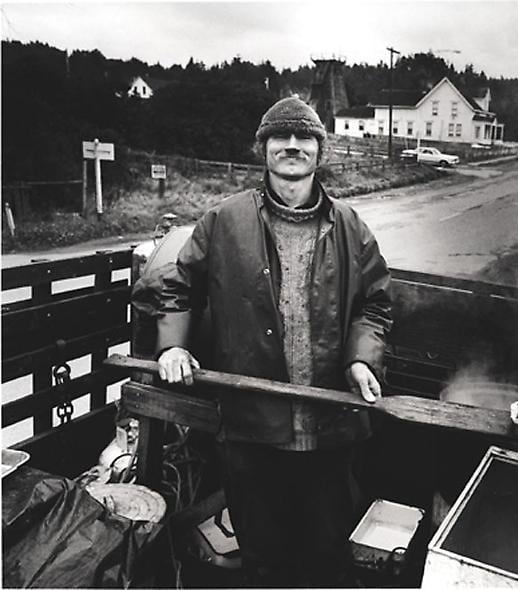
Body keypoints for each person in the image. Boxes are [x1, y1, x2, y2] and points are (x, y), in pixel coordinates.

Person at [141, 96, 392, 587]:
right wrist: (173, 346)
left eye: (305, 138)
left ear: (320, 151)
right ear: (264, 148)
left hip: (330, 426)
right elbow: (174, 285)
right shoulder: (223, 222)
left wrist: (362, 360)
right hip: (250, 430)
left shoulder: (351, 228)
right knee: (262, 560)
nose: (293, 146)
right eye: (282, 137)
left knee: (324, 558)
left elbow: (374, 304)